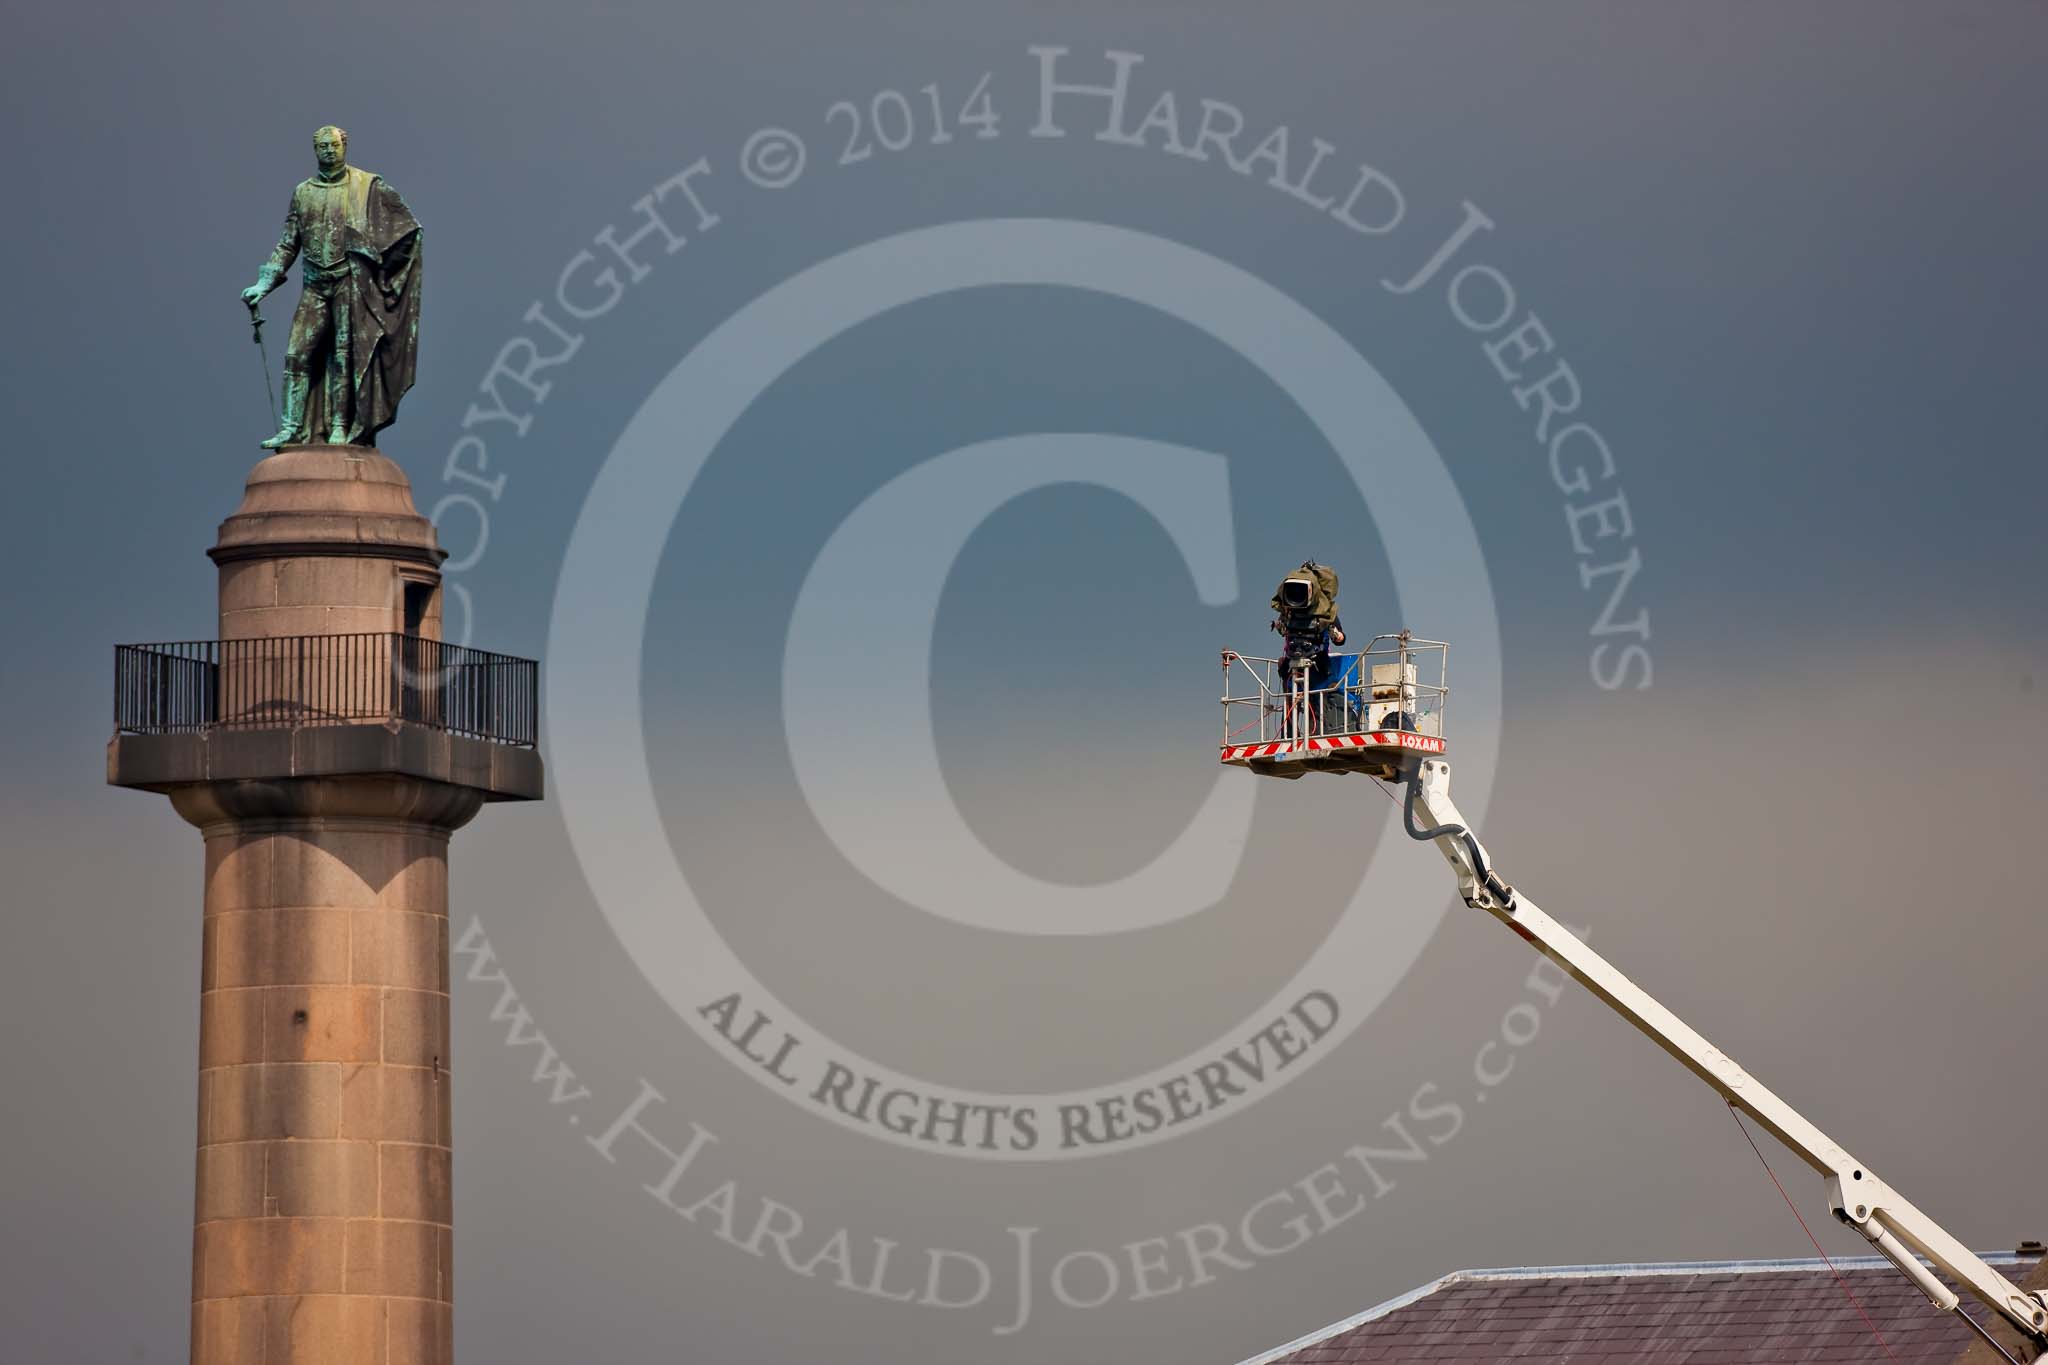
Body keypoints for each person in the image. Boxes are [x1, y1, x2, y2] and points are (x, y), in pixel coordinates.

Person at [242, 125, 423, 450]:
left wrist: (379, 268)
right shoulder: (303, 192)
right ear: (315, 151)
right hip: (315, 284)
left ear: (344, 147)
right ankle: (290, 427)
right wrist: (263, 284)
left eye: (333, 145)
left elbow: (408, 229)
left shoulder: (367, 186)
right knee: (296, 354)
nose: (328, 151)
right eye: (322, 146)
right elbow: (287, 244)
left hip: (349, 282)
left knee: (344, 357)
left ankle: (340, 426)